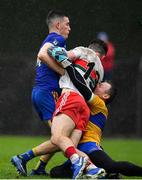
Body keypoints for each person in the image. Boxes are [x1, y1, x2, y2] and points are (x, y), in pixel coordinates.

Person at [11, 40, 108, 179]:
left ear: (91, 48)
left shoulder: (84, 51)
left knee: (57, 137)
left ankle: (77, 161)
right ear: (102, 57)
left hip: (71, 96)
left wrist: (51, 49)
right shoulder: (101, 71)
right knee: (67, 145)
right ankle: (93, 169)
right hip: (84, 107)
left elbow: (62, 55)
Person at [30, 9, 71, 175]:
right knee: (60, 137)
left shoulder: (47, 40)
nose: (69, 28)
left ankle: (39, 168)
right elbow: (41, 55)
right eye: (67, 24)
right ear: (58, 24)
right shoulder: (57, 38)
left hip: (40, 92)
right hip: (47, 92)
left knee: (59, 136)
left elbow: (41, 57)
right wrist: (63, 73)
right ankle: (22, 158)